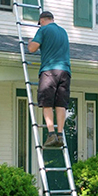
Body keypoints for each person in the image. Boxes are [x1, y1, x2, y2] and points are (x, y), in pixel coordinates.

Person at [28, 11, 71, 147]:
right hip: (65, 71)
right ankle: (60, 135)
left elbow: (32, 49)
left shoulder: (43, 30)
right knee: (60, 104)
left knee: (47, 103)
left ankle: (51, 134)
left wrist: (31, 42)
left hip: (49, 70)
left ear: (42, 21)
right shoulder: (63, 32)